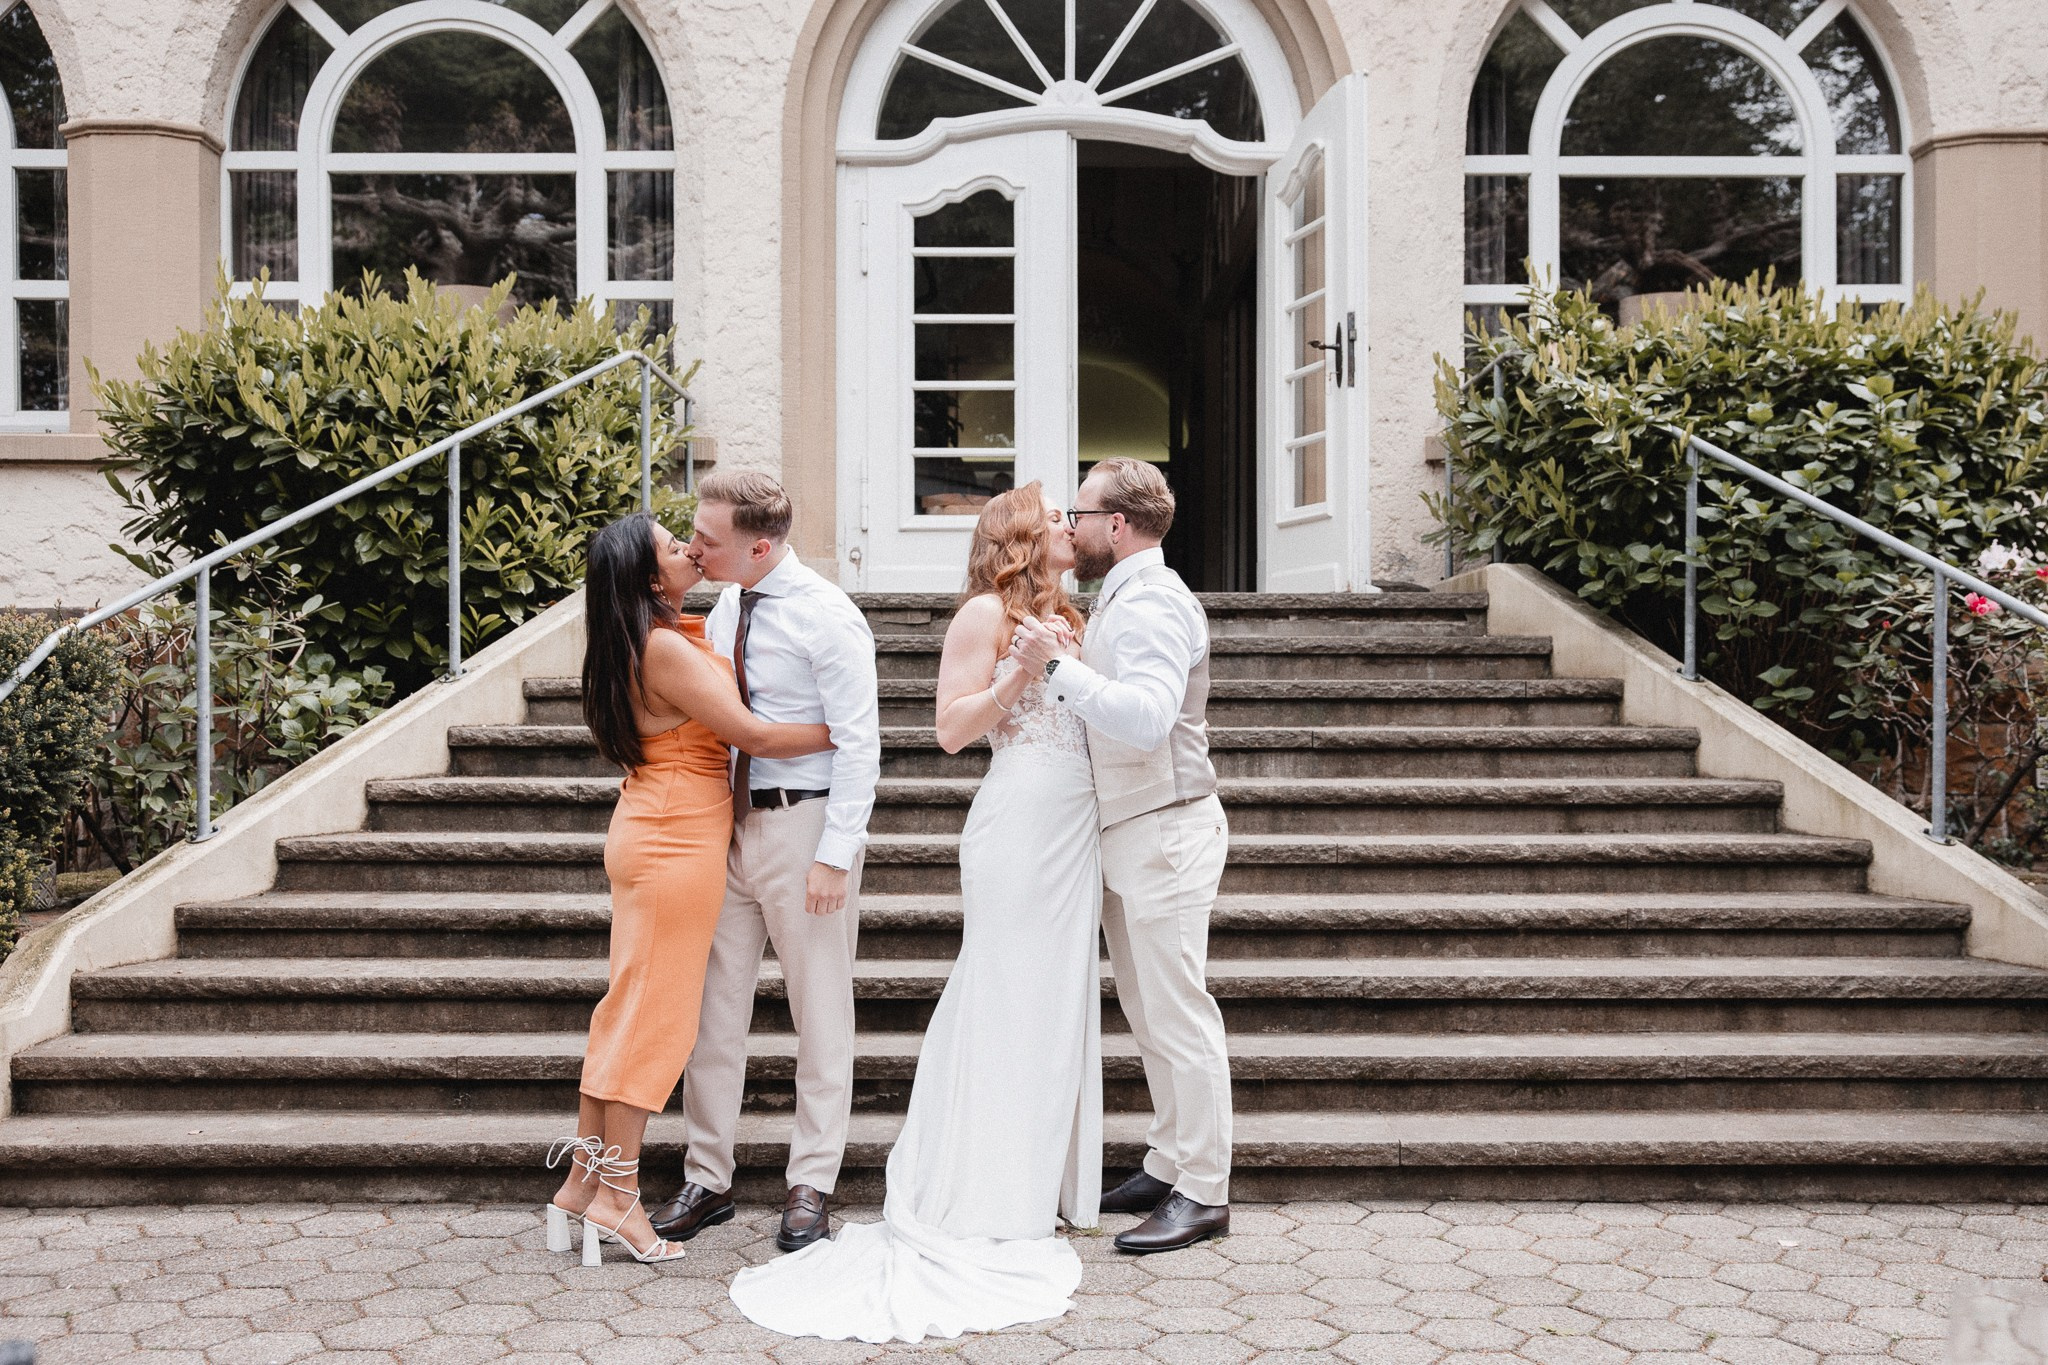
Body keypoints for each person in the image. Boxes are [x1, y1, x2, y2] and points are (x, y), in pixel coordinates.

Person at [725, 482, 1103, 1342]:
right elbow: (949, 729)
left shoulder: (1075, 612)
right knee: (1000, 995)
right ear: (1018, 537)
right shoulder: (982, 616)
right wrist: (1020, 668)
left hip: (1072, 826)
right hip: (1013, 829)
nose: (1066, 526)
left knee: (1050, 1003)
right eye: (1053, 517)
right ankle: (977, 1185)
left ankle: (1036, 1179)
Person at [545, 512, 835, 1267]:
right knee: (660, 1023)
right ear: (648, 579)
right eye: (675, 548)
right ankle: (618, 1197)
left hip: (655, 828)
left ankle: (581, 1180)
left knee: (627, 1007)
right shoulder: (664, 649)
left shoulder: (658, 635)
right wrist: (844, 728)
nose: (689, 548)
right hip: (674, 841)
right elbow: (755, 734)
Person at [644, 470, 883, 1253]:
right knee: (713, 1010)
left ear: (761, 544)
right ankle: (707, 1177)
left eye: (708, 539)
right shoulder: (724, 603)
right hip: (729, 828)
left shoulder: (829, 617)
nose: (694, 547)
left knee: (821, 1011)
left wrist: (835, 855)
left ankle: (810, 1181)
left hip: (803, 826)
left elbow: (861, 745)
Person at [1010, 456, 1233, 1254]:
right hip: (1131, 827)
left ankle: (1204, 1190)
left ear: (1117, 524)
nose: (1069, 526)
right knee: (1149, 1012)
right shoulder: (1122, 597)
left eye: (1080, 512)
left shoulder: (1155, 602)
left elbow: (1146, 718)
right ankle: (1169, 1160)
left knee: (1179, 1012)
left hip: (1166, 826)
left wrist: (1057, 669)